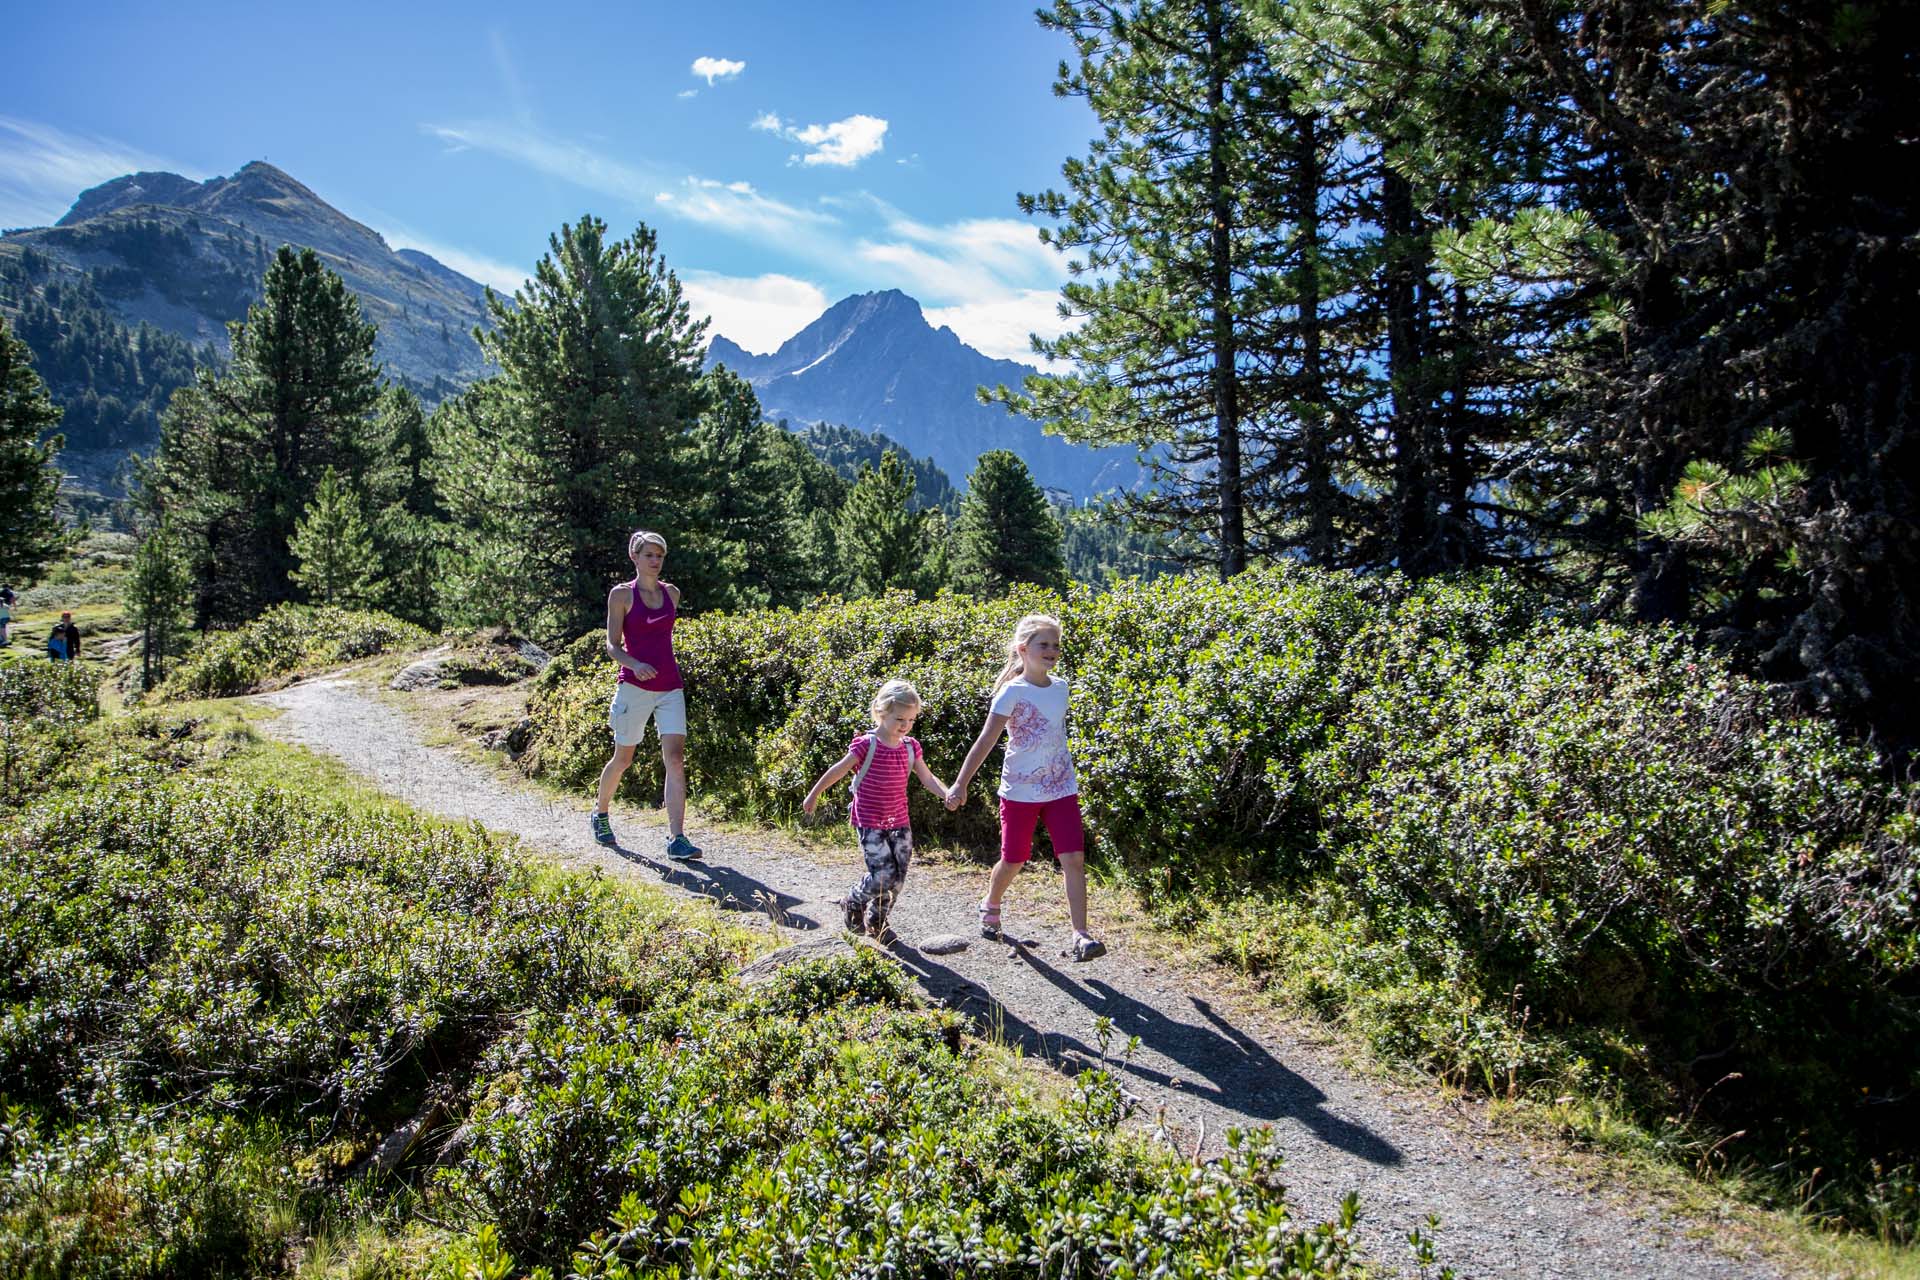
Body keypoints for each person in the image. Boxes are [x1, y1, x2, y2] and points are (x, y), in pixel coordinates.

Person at [946, 613, 1105, 961]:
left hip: (1061, 786)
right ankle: (991, 902)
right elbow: (986, 740)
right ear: (1023, 649)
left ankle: (1081, 935)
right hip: (1019, 791)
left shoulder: (1061, 687)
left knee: (1074, 858)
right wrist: (961, 783)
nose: (1051, 650)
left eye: (1056, 645)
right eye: (1043, 644)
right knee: (1015, 859)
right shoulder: (1012, 691)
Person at [802, 678, 952, 939]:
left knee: (898, 879)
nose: (905, 726)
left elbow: (927, 777)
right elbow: (839, 770)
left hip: (899, 821)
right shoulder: (866, 744)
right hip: (869, 820)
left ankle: (877, 921)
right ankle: (853, 900)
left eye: (910, 720)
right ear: (882, 713)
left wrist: (947, 793)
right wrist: (814, 793)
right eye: (899, 719)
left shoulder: (910, 747)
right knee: (883, 875)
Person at [589, 531, 701, 860]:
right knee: (623, 758)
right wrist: (635, 665)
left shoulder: (672, 594)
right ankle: (600, 813)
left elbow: (661, 638)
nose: (655, 561)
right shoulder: (621, 595)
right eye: (649, 555)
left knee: (676, 759)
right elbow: (612, 645)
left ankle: (677, 838)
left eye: (660, 556)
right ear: (634, 557)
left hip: (670, 687)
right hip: (634, 687)